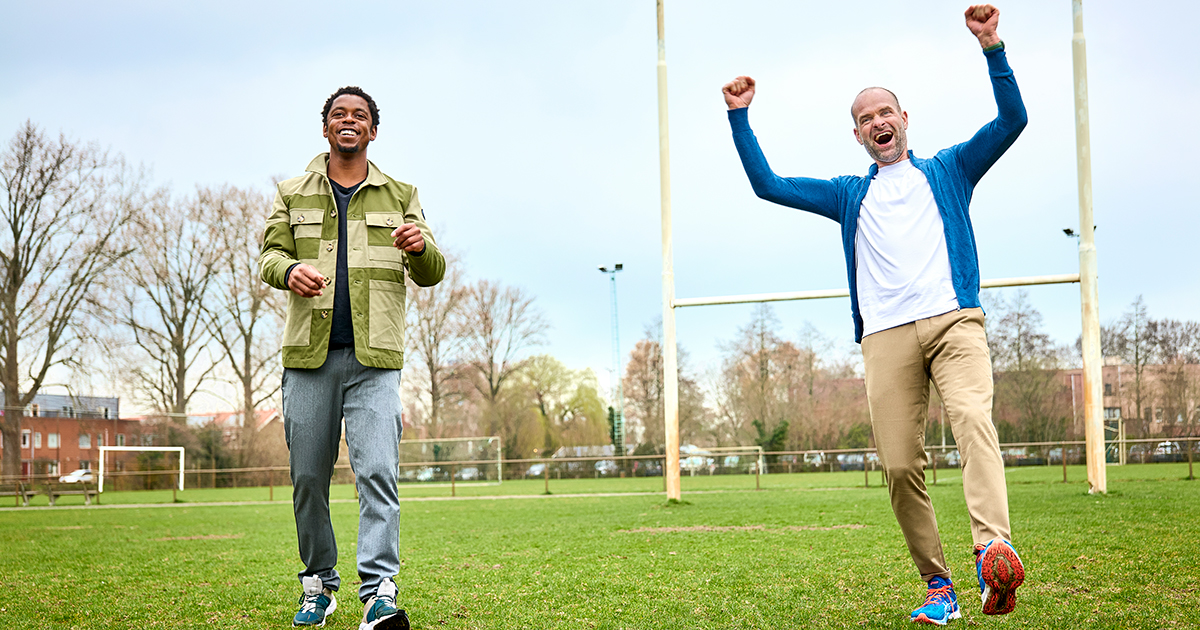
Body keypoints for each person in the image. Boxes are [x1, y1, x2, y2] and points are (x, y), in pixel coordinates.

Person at [723, 5, 1025, 625]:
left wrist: (992, 48)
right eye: (865, 119)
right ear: (857, 136)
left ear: (904, 119)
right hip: (886, 338)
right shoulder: (846, 194)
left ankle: (993, 548)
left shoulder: (949, 169)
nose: (877, 122)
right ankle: (938, 587)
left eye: (885, 112)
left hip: (954, 321)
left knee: (972, 419)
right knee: (897, 464)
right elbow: (768, 185)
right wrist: (739, 116)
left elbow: (1012, 120)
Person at [260, 86, 445, 629]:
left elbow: (433, 271)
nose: (349, 121)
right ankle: (318, 585)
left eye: (359, 116)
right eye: (339, 114)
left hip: (376, 361)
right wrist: (288, 271)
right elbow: (270, 254)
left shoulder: (401, 194)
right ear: (325, 128)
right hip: (308, 360)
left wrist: (419, 247)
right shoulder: (292, 192)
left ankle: (379, 592)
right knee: (308, 479)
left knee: (378, 473)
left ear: (372, 131)